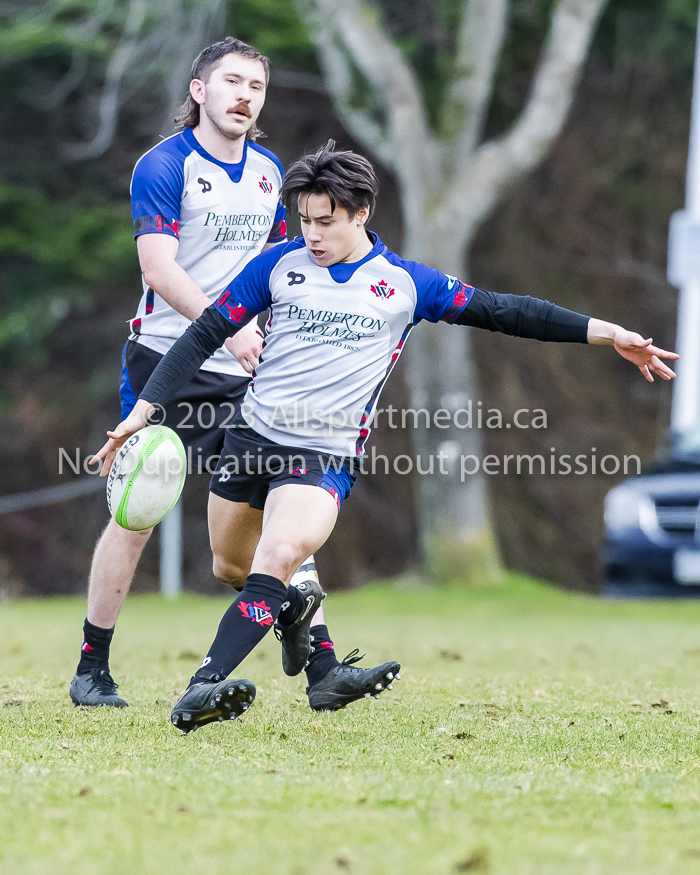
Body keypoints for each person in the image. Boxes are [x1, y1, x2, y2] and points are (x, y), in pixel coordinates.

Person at [95, 142, 678, 733]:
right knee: (231, 566)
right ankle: (311, 644)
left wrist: (609, 334)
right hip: (249, 437)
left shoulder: (403, 283)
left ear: (361, 213)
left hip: (322, 453)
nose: (312, 234)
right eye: (304, 219)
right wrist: (145, 409)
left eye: (326, 221)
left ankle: (203, 688)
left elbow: (506, 311)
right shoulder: (278, 265)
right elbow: (203, 334)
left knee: (279, 555)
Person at [70, 39, 399, 711]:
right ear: (199, 90)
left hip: (249, 371)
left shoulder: (271, 172)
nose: (245, 94)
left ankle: (324, 670)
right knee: (138, 512)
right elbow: (158, 270)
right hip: (167, 360)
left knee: (281, 503)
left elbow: (289, 264)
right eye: (231, 81)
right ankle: (91, 667)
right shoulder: (165, 165)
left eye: (256, 84)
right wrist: (233, 327)